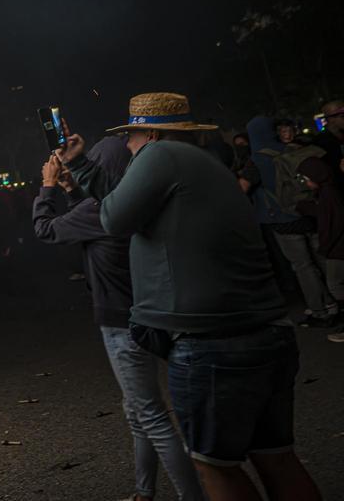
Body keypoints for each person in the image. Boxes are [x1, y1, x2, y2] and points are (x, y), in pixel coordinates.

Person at [59, 92, 321, 501]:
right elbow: (123, 202)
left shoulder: (159, 156)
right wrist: (79, 165)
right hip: (266, 332)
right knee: (277, 458)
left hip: (214, 345)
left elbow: (112, 218)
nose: (127, 145)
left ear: (151, 134)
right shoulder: (201, 165)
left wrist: (81, 169)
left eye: (131, 135)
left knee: (216, 467)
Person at [33, 140, 203, 501]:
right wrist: (72, 188)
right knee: (137, 411)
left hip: (120, 323)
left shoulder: (98, 210)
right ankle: (144, 492)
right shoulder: (131, 203)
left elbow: (46, 229)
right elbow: (91, 212)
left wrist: (48, 186)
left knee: (151, 416)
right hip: (150, 312)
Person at [244, 116, 336, 326]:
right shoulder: (294, 148)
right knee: (322, 258)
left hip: (283, 220)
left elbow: (242, 188)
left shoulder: (256, 159)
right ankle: (337, 301)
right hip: (308, 212)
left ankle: (320, 310)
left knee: (302, 266)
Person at [297, 156, 344, 343]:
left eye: (306, 178)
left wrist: (325, 246)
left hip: (337, 248)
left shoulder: (329, 194)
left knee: (335, 285)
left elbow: (333, 223)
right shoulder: (328, 192)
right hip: (336, 247)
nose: (305, 183)